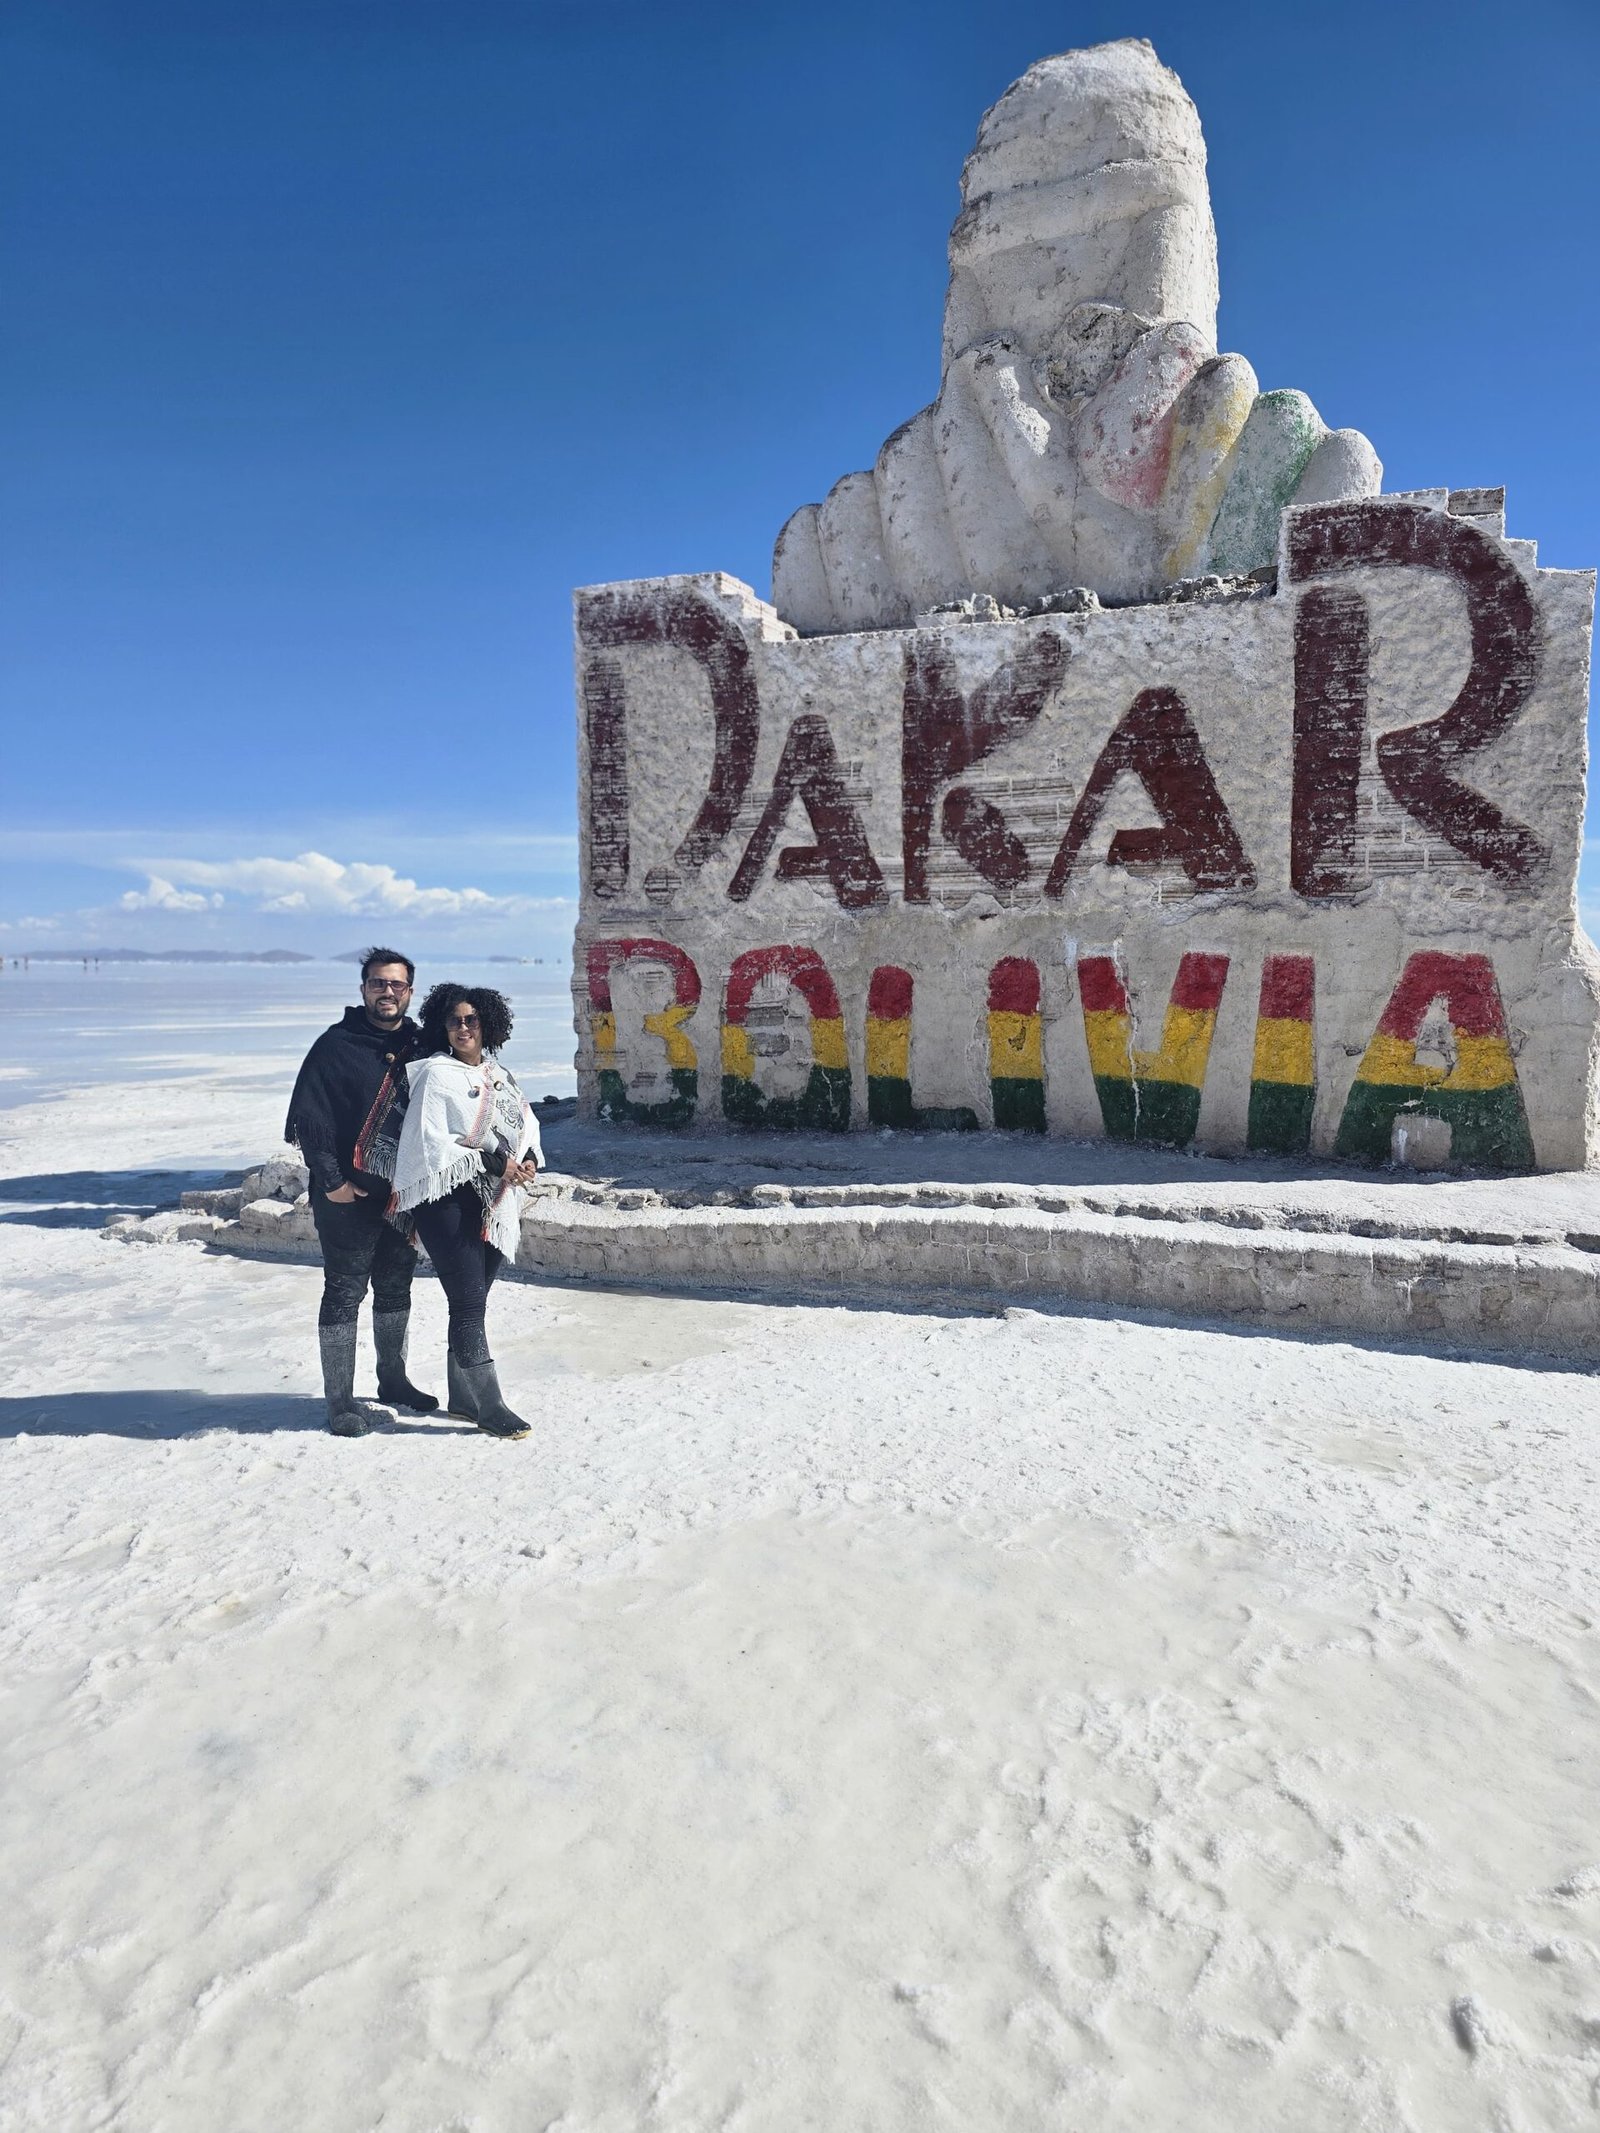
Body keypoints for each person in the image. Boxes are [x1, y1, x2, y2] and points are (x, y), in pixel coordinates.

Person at [285, 946, 436, 1435]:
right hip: (346, 1195)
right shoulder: (336, 1045)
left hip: (401, 1194)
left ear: (409, 991)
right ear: (364, 989)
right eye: (378, 983)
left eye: (396, 984)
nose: (387, 991)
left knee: (396, 1285)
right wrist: (333, 1182)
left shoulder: (422, 1045)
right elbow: (311, 1119)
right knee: (344, 1290)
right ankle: (340, 1402)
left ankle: (393, 1381)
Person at [389, 982, 541, 1442]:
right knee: (468, 1302)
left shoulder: (500, 1075)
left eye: (471, 1019)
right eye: (454, 1020)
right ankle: (490, 1406)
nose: (463, 1027)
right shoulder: (436, 1075)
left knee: (475, 1299)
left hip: (494, 1199)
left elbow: (525, 1124)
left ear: (487, 1024)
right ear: (443, 1026)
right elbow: (430, 1143)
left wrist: (527, 1158)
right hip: (445, 1201)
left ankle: (461, 1396)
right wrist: (496, 1162)